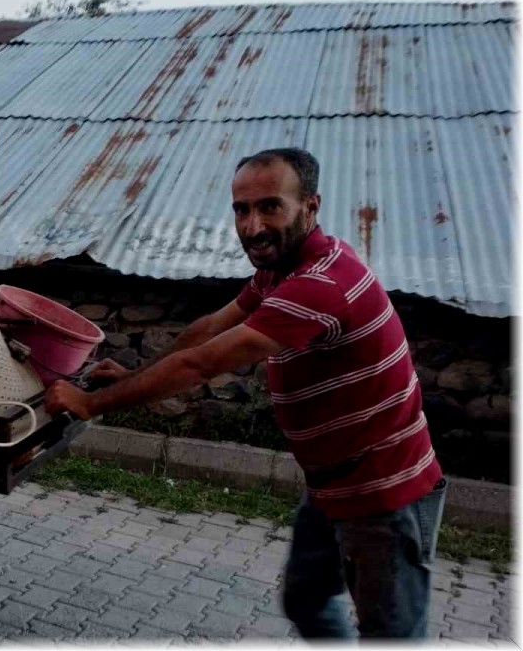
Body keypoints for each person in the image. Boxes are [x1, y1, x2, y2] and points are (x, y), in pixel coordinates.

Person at [44, 148, 447, 639]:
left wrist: (91, 403)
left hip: (385, 493)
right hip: (331, 486)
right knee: (305, 601)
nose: (252, 227)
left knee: (392, 638)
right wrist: (129, 376)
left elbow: (203, 363)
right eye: (241, 209)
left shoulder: (319, 285)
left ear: (310, 207)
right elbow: (208, 329)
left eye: (270, 207)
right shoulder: (280, 271)